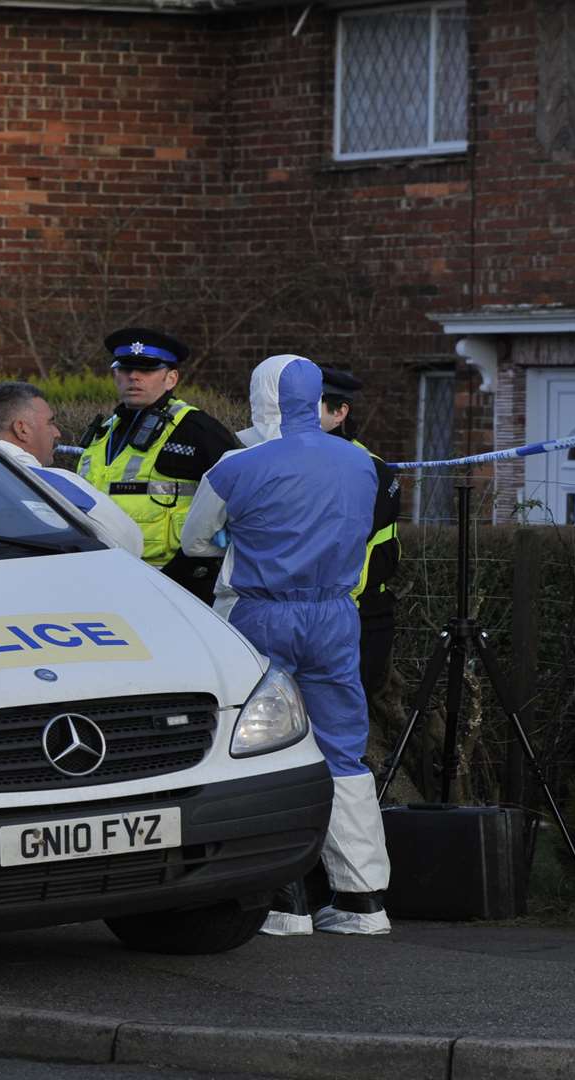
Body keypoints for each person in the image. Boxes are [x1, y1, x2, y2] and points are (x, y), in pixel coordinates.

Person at [182, 354, 391, 936]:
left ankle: (282, 898)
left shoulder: (238, 464)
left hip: (262, 614)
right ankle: (363, 901)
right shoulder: (360, 462)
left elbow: (195, 540)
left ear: (258, 397)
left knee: (261, 749)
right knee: (343, 750)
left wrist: (237, 534)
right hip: (335, 615)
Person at [75, 328, 241, 603]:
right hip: (104, 572)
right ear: (115, 375)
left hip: (175, 580)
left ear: (171, 378)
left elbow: (236, 501)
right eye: (126, 369)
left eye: (147, 370)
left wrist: (190, 569)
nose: (134, 377)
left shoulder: (197, 429)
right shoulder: (105, 430)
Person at [0, 381, 144, 557]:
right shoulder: (53, 484)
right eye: (50, 422)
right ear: (22, 429)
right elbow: (130, 542)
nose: (57, 432)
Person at [320, 368, 401, 719]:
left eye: (312, 407)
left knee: (343, 722)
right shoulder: (281, 460)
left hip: (356, 616)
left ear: (340, 413)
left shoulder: (371, 471)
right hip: (305, 614)